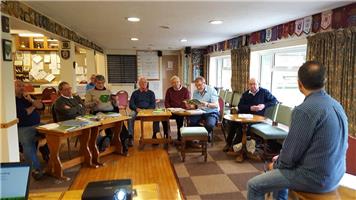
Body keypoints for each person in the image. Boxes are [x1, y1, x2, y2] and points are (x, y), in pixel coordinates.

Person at [247, 61, 348, 200]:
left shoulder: (304, 110)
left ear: (300, 84)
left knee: (254, 185)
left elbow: (291, 154)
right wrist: (281, 161)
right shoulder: (337, 105)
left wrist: (277, 163)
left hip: (315, 179)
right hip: (336, 173)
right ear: (324, 81)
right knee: (280, 165)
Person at [223, 78, 278, 152]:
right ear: (248, 85)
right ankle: (228, 143)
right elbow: (240, 106)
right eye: (250, 84)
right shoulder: (245, 94)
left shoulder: (264, 92)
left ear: (258, 84)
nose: (252, 86)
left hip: (258, 118)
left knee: (242, 128)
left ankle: (234, 147)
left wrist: (263, 105)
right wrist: (250, 108)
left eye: (254, 84)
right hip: (246, 116)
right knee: (233, 123)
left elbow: (275, 101)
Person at [85, 75, 129, 154]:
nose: (101, 85)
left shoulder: (108, 91)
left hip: (111, 112)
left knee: (120, 124)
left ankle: (124, 142)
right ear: (95, 83)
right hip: (99, 112)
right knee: (107, 124)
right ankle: (106, 139)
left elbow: (115, 106)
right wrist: (93, 103)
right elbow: (86, 105)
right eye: (98, 83)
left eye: (102, 83)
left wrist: (115, 101)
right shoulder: (90, 92)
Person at [15, 80, 48, 180]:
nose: (22, 88)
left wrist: (31, 100)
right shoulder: (12, 101)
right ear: (13, 88)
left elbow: (42, 107)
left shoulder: (28, 97)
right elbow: (25, 113)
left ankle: (50, 157)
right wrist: (34, 106)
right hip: (23, 127)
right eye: (19, 86)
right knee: (28, 144)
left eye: (23, 86)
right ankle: (36, 170)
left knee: (54, 134)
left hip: (38, 124)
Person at [186, 76, 219, 142]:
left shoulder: (212, 90)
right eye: (196, 85)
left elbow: (216, 105)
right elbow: (195, 104)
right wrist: (191, 106)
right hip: (199, 112)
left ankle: (204, 135)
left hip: (211, 112)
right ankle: (200, 135)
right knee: (191, 121)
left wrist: (207, 104)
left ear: (204, 83)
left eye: (200, 85)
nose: (198, 87)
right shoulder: (195, 92)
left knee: (210, 125)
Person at [128, 76, 159, 146]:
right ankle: (130, 137)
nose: (144, 84)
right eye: (142, 82)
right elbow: (131, 104)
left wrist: (146, 110)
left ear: (147, 83)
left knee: (157, 116)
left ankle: (155, 135)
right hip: (137, 110)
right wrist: (137, 109)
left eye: (145, 82)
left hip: (149, 110)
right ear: (139, 84)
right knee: (130, 116)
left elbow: (153, 104)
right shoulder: (135, 93)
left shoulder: (151, 93)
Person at [162, 75, 190, 141]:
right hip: (171, 111)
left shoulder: (185, 90)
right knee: (163, 118)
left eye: (177, 82)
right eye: (174, 82)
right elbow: (166, 102)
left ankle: (179, 136)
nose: (176, 84)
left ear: (180, 82)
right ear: (171, 84)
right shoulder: (169, 90)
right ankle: (167, 135)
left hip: (181, 111)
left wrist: (181, 109)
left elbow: (187, 101)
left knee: (180, 118)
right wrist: (170, 109)